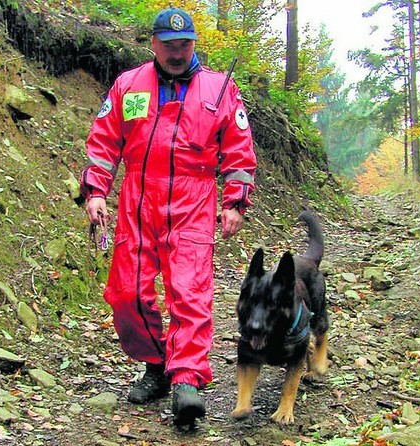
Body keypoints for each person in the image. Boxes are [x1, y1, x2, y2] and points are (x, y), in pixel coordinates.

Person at [80, 7, 257, 426]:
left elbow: (238, 150)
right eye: (169, 45)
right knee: (126, 293)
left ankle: (187, 380)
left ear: (194, 44)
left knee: (189, 292)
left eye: (185, 45)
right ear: (154, 45)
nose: (178, 53)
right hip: (138, 198)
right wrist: (95, 191)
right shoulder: (128, 85)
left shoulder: (220, 88)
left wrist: (234, 202)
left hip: (194, 200)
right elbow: (104, 142)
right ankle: (157, 365)